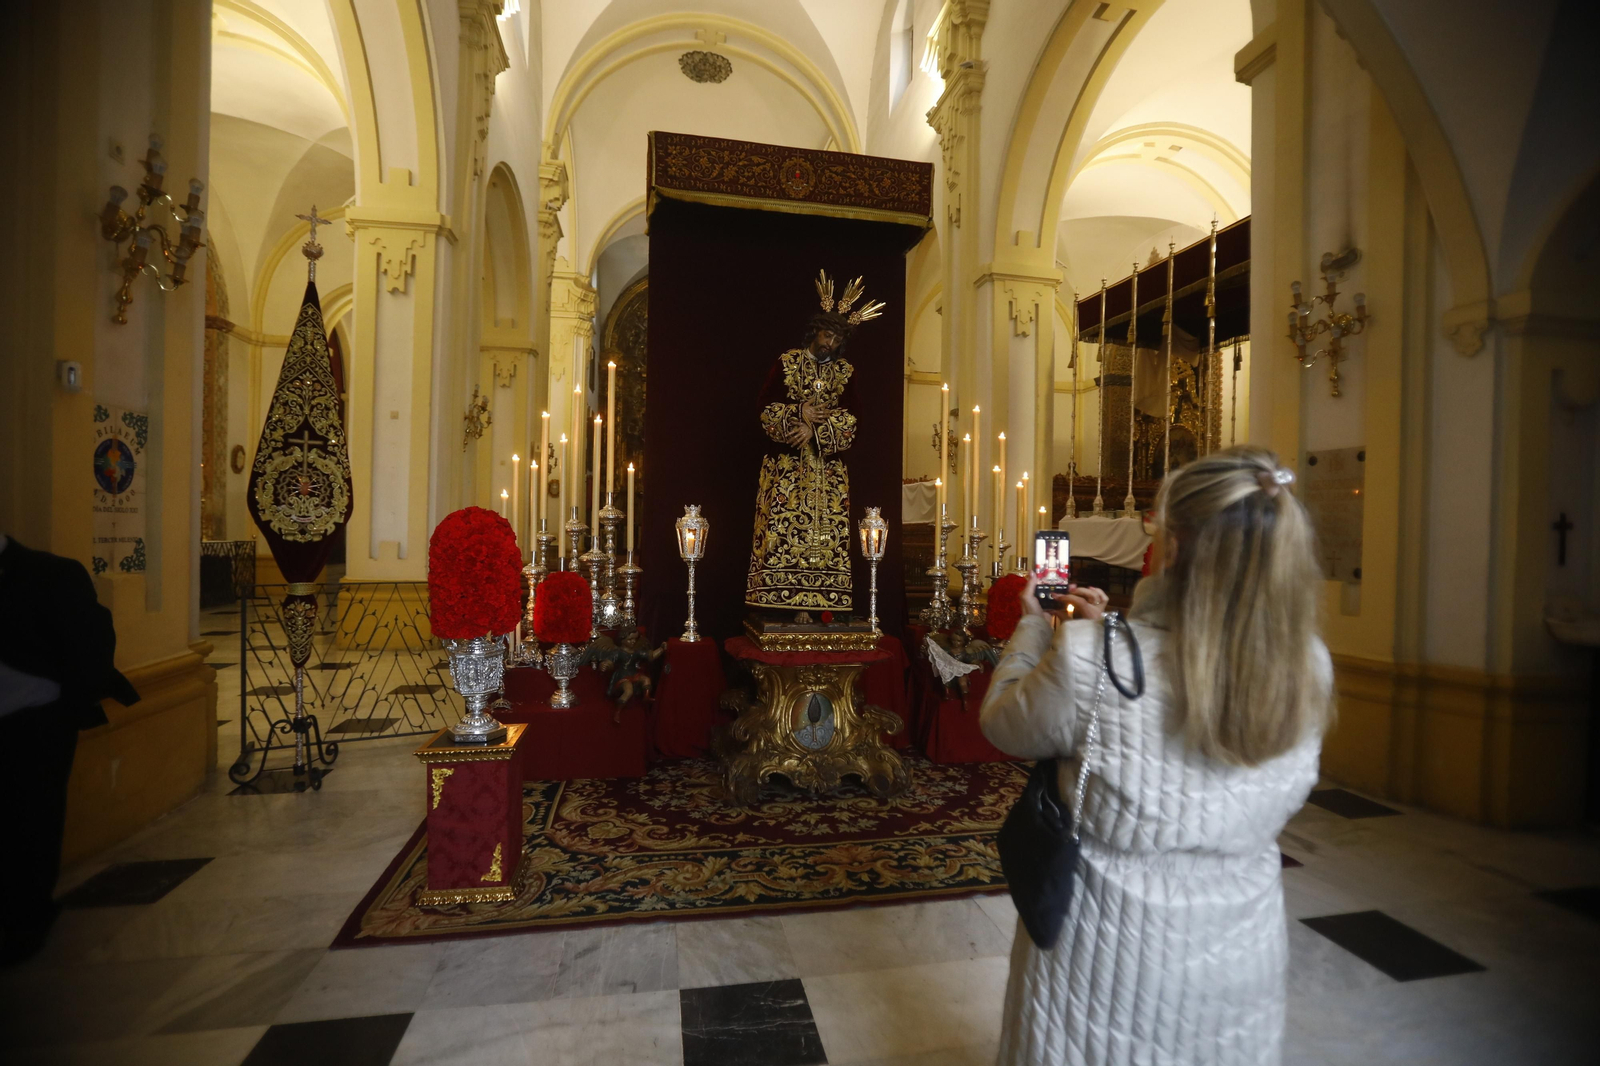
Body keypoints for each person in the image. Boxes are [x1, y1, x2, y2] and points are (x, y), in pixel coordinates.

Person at [980, 447, 1333, 1066]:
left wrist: (1039, 628)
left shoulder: (1094, 656)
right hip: (1239, 946)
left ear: (1172, 545)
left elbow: (1004, 724)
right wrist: (1108, 632)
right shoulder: (1307, 664)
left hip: (1101, 950)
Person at [0, 534, 139, 964]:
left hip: (32, 725)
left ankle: (25, 921)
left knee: (31, 820)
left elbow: (90, 646)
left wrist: (68, 712)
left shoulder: (51, 573)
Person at [745, 270, 884, 614]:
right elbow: (764, 408)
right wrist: (798, 413)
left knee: (825, 537)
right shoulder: (788, 363)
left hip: (827, 473)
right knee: (782, 530)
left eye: (837, 340)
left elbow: (854, 419)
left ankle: (822, 602)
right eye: (826, 335)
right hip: (787, 471)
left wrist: (817, 431)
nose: (830, 345)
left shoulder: (845, 372)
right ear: (815, 331)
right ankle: (781, 600)